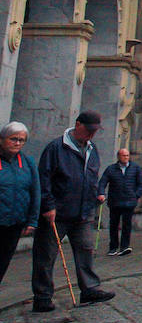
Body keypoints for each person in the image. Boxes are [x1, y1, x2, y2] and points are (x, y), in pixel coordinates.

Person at [32, 111, 115, 312]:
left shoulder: (92, 148)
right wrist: (48, 205)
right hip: (57, 212)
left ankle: (90, 288)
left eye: (94, 131)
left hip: (84, 211)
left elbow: (92, 175)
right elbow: (44, 178)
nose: (91, 135)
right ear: (78, 125)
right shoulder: (56, 148)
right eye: (89, 130)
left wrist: (95, 196)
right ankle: (42, 296)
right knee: (46, 254)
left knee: (86, 250)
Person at [0, 122, 39, 287]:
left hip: (15, 222)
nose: (17, 143)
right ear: (2, 139)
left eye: (21, 140)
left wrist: (32, 220)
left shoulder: (27, 162)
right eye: (13, 139)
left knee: (3, 262)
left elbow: (35, 191)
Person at [98, 148, 142, 257]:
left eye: (127, 155)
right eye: (124, 155)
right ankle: (113, 247)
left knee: (127, 225)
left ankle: (124, 246)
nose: (126, 157)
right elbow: (102, 182)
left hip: (129, 201)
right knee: (114, 225)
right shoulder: (111, 169)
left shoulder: (135, 168)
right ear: (119, 156)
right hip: (115, 201)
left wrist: (136, 195)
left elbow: (141, 184)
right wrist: (101, 193)